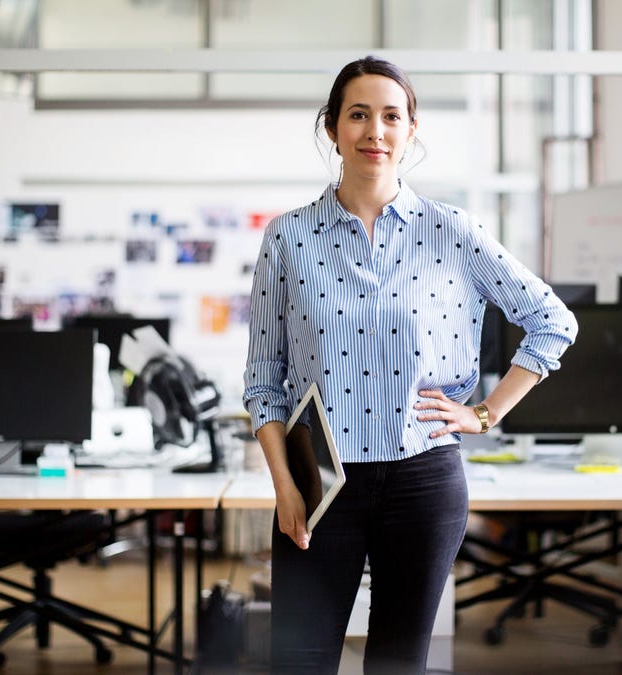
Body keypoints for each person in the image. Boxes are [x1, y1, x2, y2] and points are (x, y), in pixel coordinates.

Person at [243, 55, 578, 675]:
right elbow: (264, 380)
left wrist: (485, 413)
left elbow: (554, 321)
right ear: (332, 128)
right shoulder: (287, 238)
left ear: (411, 129)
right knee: (298, 661)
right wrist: (284, 487)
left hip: (422, 480)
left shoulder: (452, 231)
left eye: (391, 116)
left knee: (399, 663)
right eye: (359, 115)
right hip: (320, 483)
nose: (375, 131)